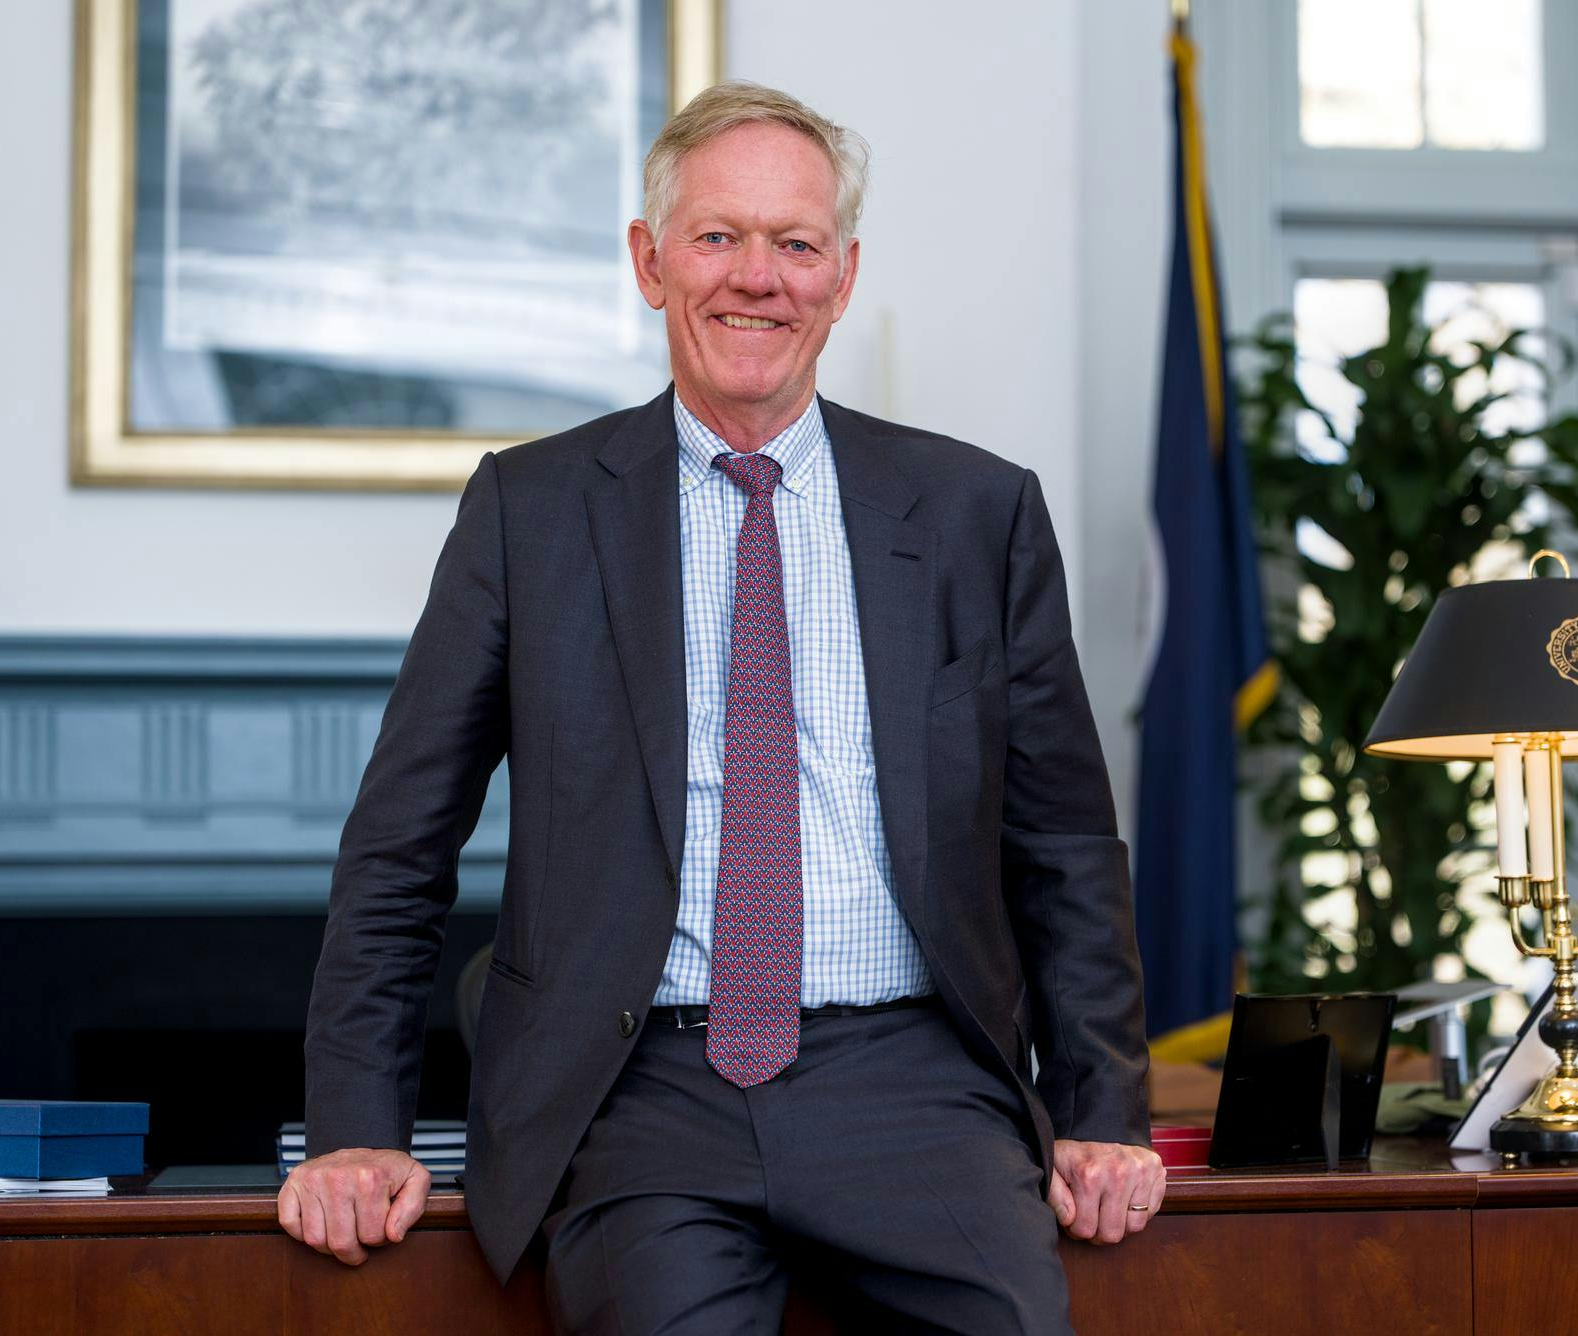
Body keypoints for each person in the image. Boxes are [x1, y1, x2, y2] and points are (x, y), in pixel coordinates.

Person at [277, 79, 1162, 1333]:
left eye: (795, 243)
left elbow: (1062, 839)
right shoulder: (530, 512)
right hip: (638, 1087)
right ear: (650, 261)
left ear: (842, 276)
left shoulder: (979, 513)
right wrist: (354, 1127)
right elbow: (400, 843)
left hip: (912, 1082)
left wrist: (1099, 1108)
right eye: (716, 236)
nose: (758, 277)